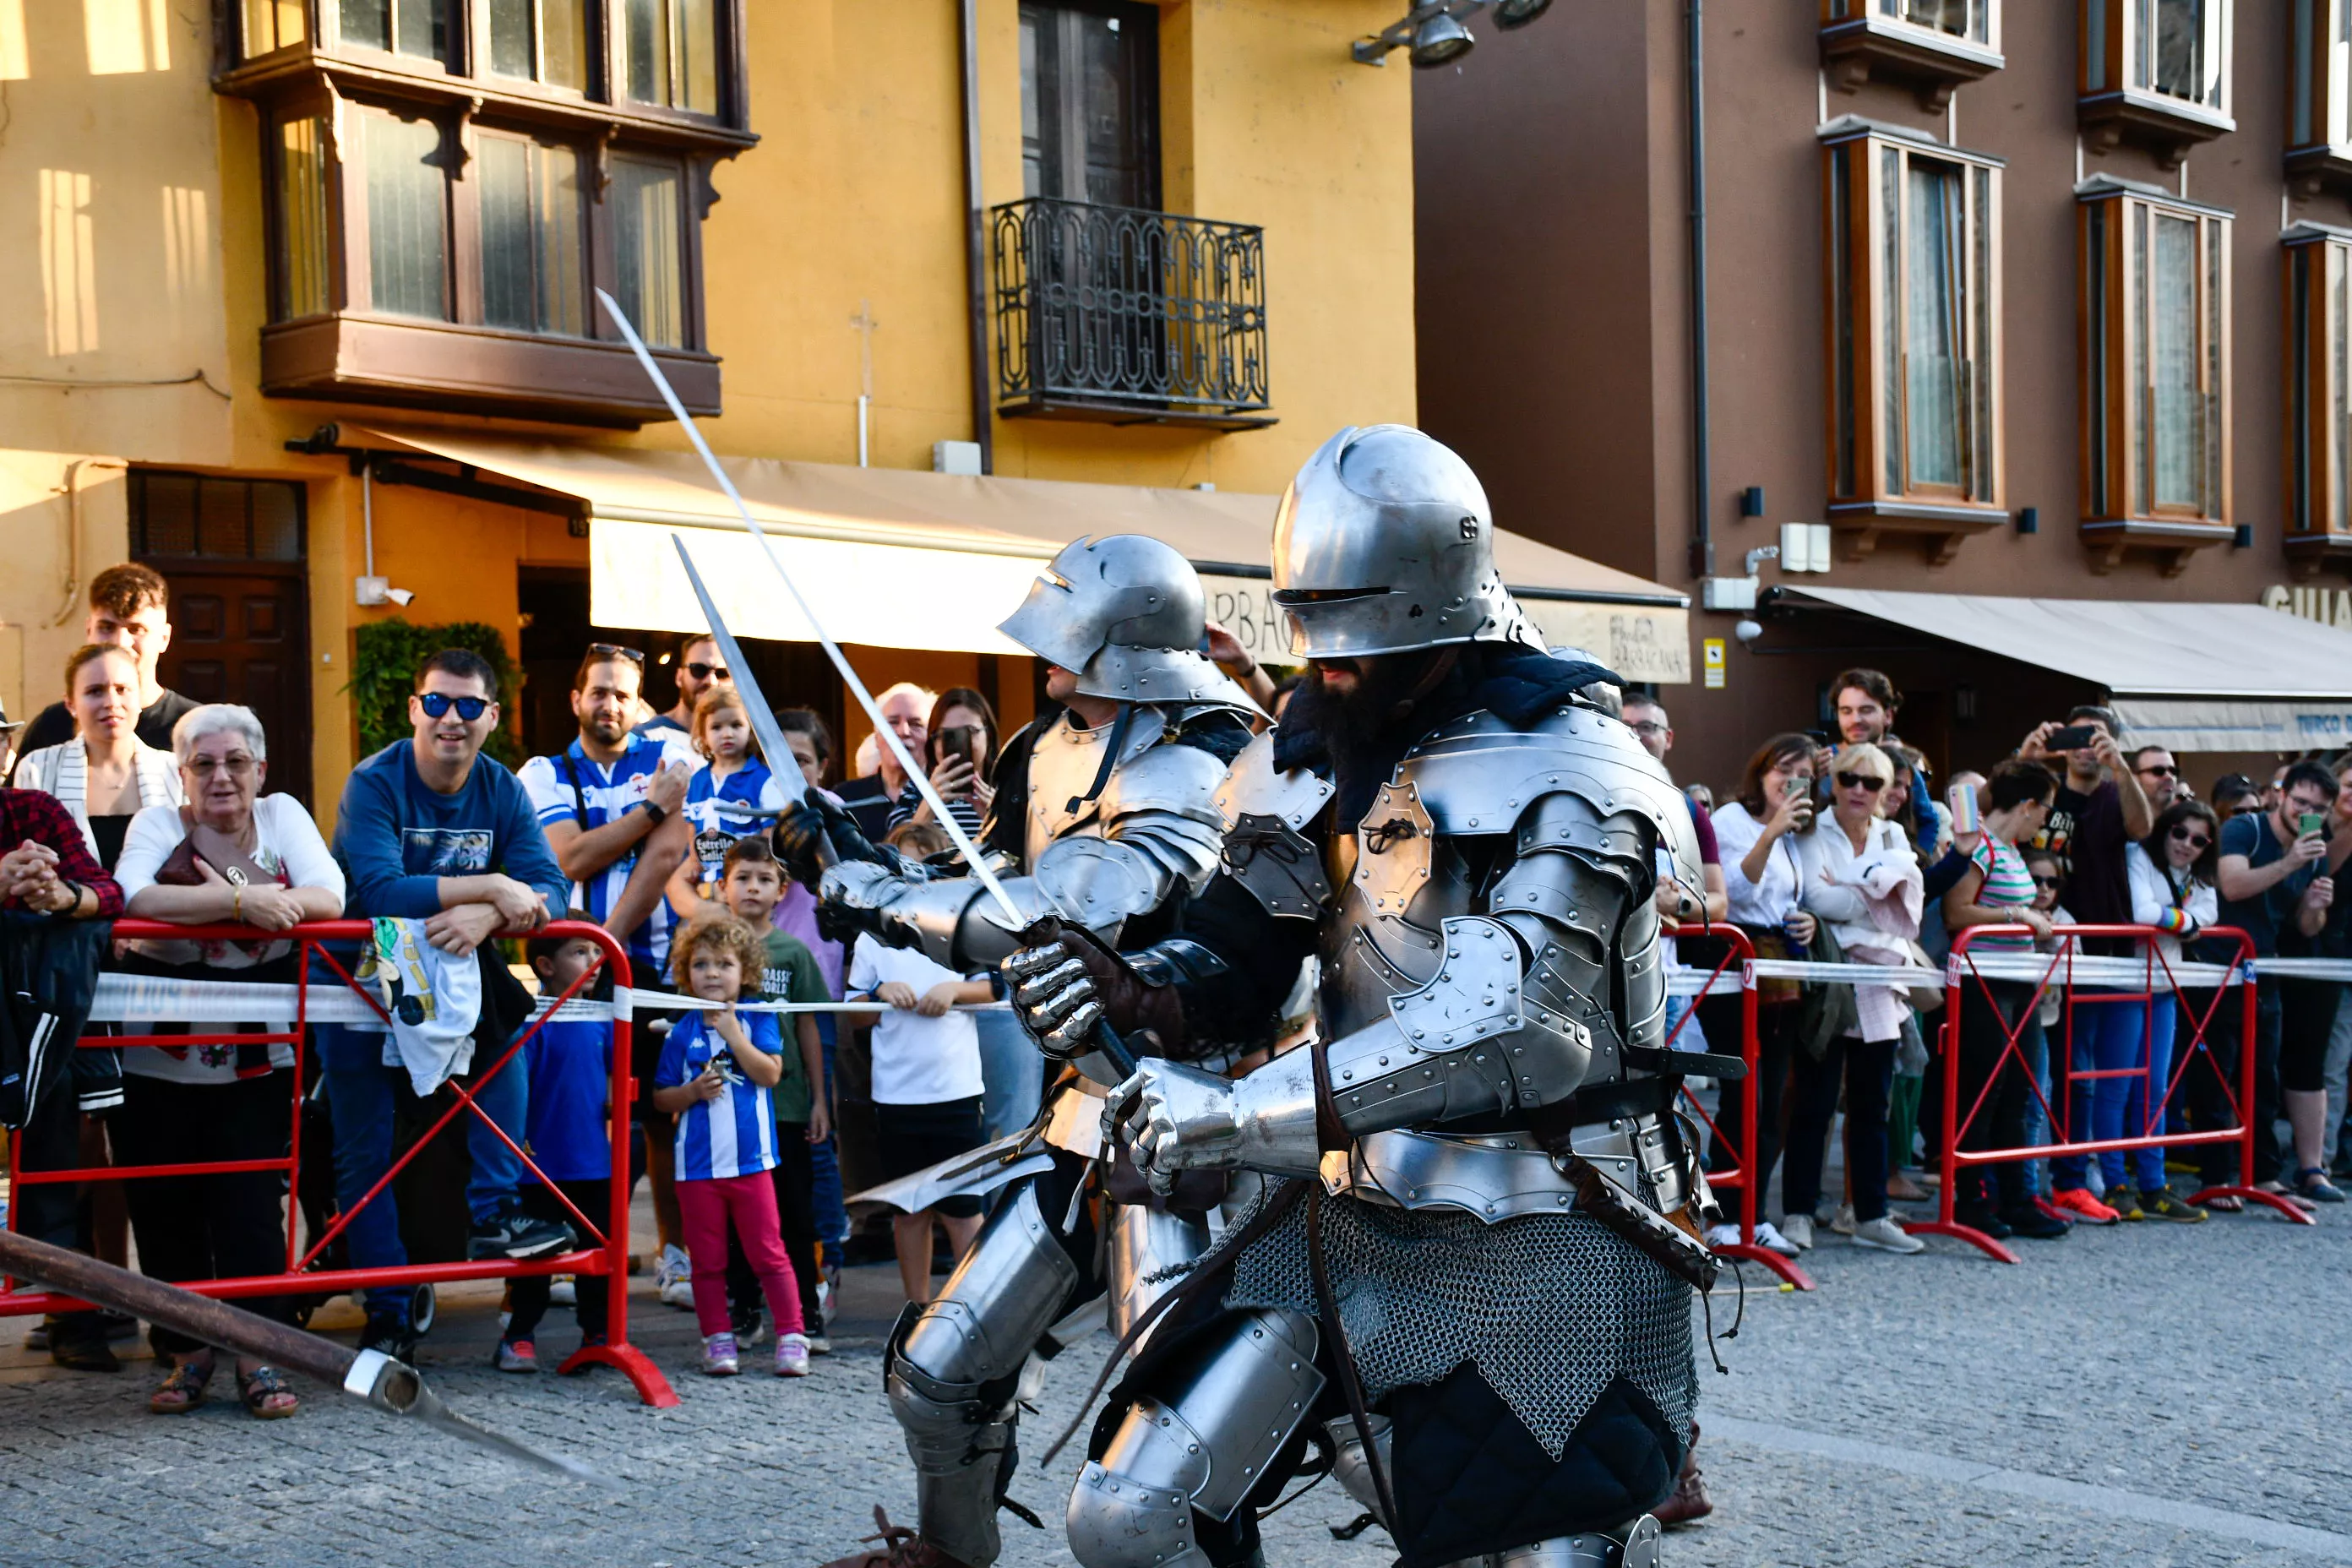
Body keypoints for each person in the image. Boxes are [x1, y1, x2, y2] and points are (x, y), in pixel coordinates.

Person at [1010, 426, 1707, 1568]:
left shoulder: (1577, 769)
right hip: (1340, 1207)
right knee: (1135, 1515)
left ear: (1438, 610)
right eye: (1315, 635)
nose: (1329, 668)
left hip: (1550, 1223)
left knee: (1528, 1553)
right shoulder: (1325, 748)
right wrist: (1135, 988)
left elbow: (1518, 1029)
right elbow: (1240, 954)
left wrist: (1237, 1115)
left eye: (1356, 643)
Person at [799, 535, 1262, 1568]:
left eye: (1066, 634)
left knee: (1178, 1436)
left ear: (1123, 646)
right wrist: (856, 852)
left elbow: (1056, 913)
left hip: (1197, 1124)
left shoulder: (1201, 760)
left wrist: (871, 895)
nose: (1042, 653)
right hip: (1082, 1112)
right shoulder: (1043, 746)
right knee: (939, 1368)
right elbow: (995, 872)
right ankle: (950, 1555)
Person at [320, 648, 575, 1358]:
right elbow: (375, 889)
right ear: (414, 710)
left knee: (508, 1046)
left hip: (462, 975)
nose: (450, 720)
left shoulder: (501, 788)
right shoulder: (375, 782)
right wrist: (493, 887)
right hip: (364, 984)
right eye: (436, 702)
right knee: (364, 1152)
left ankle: (496, 1213)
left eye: (468, 706)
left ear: (492, 717)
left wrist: (493, 914)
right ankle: (389, 1311)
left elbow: (549, 889)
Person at [112, 704, 344, 1416]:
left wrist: (237, 903)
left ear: (260, 770)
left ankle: (257, 1354)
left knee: (247, 1205)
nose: (221, 777)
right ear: (182, 775)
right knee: (162, 1206)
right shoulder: (158, 823)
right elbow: (130, 893)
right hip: (157, 1051)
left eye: (235, 763)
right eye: (204, 765)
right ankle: (185, 1356)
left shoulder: (282, 816)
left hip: (255, 1050)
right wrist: (242, 902)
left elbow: (329, 894)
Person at [518, 643, 698, 1308]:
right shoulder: (545, 771)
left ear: (640, 702)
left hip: (643, 965)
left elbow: (665, 860)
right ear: (576, 699)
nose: (610, 704)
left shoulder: (675, 761)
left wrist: (604, 944)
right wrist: (650, 810)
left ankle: (670, 1255)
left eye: (623, 693)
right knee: (574, 1116)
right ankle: (571, 1247)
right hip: (573, 967)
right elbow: (570, 855)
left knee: (659, 1118)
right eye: (599, 691)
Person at [650, 912, 811, 1378]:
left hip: (752, 1163)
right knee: (708, 1261)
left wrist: (734, 1034)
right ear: (686, 973)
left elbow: (770, 1073)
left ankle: (792, 1335)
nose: (713, 974)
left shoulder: (759, 1016)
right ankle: (717, 1339)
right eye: (701, 965)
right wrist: (691, 1094)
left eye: (724, 964)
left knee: (768, 1253)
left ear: (745, 971)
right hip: (697, 1168)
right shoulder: (680, 1032)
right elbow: (662, 1098)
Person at [0, 785, 125, 1372]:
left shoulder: (34, 810)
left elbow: (108, 891)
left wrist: (59, 893)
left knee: (63, 1152)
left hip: (30, 1026)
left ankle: (70, 1314)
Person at [844, 823, 995, 1308]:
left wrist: (954, 989)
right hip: (897, 1097)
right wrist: (878, 993)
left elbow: (996, 987)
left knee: (963, 1209)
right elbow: (855, 1013)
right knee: (909, 1211)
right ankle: (917, 1307)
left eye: (924, 872)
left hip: (955, 1092)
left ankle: (975, 1306)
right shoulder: (872, 941)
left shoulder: (962, 933)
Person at [1784, 743, 1924, 1255]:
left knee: (1872, 1104)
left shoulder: (1895, 834)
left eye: (1871, 782)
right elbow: (1814, 899)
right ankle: (1798, 1211)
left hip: (1882, 980)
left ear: (1888, 792)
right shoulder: (1811, 828)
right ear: (1832, 782)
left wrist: (1846, 894)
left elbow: (1905, 898)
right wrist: (1872, 893)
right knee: (1814, 1103)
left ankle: (1869, 1212)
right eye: (1848, 779)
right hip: (1829, 977)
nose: (1859, 790)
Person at [2017, 708, 2154, 1223]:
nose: (2083, 747)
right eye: (2074, 736)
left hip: (2109, 946)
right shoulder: (2043, 793)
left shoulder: (2117, 793)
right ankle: (2039, 1179)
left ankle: (2081, 1176)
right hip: (2048, 946)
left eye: (2095, 739)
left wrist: (2119, 767)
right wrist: (2025, 760)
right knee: (2051, 1074)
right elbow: (1997, 819)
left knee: (2095, 1073)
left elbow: (2142, 828)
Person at [1697, 732, 1818, 1258]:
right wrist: (1769, 833)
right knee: (1742, 1093)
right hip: (1733, 961)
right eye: (1781, 769)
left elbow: (1794, 895)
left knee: (1774, 1098)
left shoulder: (1797, 834)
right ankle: (1719, 1211)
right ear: (1762, 770)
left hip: (1780, 964)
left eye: (1803, 775)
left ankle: (1755, 1214)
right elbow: (1736, 893)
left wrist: (1810, 920)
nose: (1789, 781)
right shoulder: (1731, 820)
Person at [1942, 760, 2068, 1241]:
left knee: (2019, 1093)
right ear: (2029, 805)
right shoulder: (1983, 848)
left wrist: (2019, 917)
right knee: (1984, 1094)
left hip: (2018, 983)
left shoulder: (2011, 849)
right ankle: (1972, 1200)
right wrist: (2017, 913)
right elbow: (1958, 912)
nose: (2046, 821)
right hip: (1984, 984)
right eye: (2046, 811)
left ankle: (2017, 1197)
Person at [714, 836, 832, 1348]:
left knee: (795, 1214)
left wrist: (820, 1099)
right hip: (730, 1108)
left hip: (785, 1105)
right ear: (724, 886)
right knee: (738, 1217)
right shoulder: (710, 950)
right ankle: (745, 1310)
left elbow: (809, 1027)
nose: (753, 888)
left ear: (782, 890)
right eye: (743, 878)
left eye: (764, 879)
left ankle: (806, 1311)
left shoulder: (794, 953)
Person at [2216, 760, 2349, 1206]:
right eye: (2300, 802)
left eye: (2317, 807)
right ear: (2281, 796)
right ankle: (2217, 1175)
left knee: (2263, 1077)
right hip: (2218, 967)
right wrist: (2290, 862)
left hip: (2264, 968)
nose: (2306, 811)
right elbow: (2232, 886)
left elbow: (2307, 927)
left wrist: (2315, 904)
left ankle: (2265, 1174)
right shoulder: (2245, 828)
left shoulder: (2315, 848)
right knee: (2219, 1074)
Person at [498, 923, 621, 1373]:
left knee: (597, 1253)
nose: (594, 961)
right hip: (538, 1165)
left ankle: (598, 1333)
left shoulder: (602, 1018)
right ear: (547, 966)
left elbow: (612, 1080)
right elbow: (517, 1090)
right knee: (536, 1259)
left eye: (596, 951)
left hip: (592, 1161)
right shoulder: (531, 1021)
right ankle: (519, 1334)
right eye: (580, 951)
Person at [2116, 800, 2222, 1222]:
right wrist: (2186, 922)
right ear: (2165, 829)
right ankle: (2112, 1182)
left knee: (2155, 1090)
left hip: (2164, 983)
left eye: (2199, 840)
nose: (2186, 845)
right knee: (2116, 1087)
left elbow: (2211, 913)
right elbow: (2141, 912)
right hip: (2124, 981)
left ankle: (2153, 1184)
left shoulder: (2199, 872)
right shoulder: (2138, 854)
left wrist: (2175, 921)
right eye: (2180, 833)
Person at [12, 644, 185, 874]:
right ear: (71, 704)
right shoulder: (37, 769)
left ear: (139, 698)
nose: (111, 702)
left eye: (122, 689)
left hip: (160, 909)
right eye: (95, 691)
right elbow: (27, 861)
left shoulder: (176, 771)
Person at [9, 564, 199, 764]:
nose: (120, 642)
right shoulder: (53, 725)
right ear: (89, 630)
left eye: (136, 629)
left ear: (164, 638)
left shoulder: (194, 726)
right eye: (107, 627)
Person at [667, 684, 792, 918]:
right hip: (708, 885)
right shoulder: (698, 780)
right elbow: (692, 823)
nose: (727, 734)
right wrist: (694, 859)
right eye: (716, 727)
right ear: (702, 735)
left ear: (750, 730)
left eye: (736, 725)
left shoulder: (763, 780)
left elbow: (770, 835)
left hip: (748, 889)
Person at [1827, 667, 1943, 856]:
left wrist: (1916, 862)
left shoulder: (1901, 764)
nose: (1855, 719)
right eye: (1846, 711)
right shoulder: (1822, 763)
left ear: (1888, 716)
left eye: (1866, 710)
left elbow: (1928, 820)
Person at [890, 687, 999, 841]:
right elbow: (898, 857)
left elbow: (1030, 854)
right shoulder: (914, 790)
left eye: (969, 731)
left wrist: (997, 819)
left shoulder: (1009, 788)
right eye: (946, 736)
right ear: (933, 741)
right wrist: (929, 805)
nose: (961, 743)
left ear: (988, 735)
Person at [836, 682, 934, 841]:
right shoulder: (846, 798)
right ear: (876, 737)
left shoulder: (947, 800)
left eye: (916, 724)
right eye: (893, 722)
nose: (903, 732)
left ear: (931, 738)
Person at [635, 633, 732, 742]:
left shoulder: (746, 745)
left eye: (722, 673)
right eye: (699, 670)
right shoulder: (643, 738)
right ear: (679, 677)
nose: (711, 681)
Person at [2132, 747, 2183, 814]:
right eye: (2158, 771)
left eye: (2173, 771)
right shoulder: (2118, 821)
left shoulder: (2185, 823)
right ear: (2135, 778)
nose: (2169, 777)